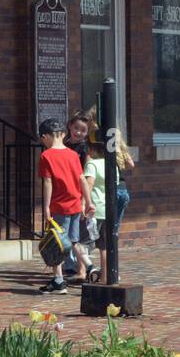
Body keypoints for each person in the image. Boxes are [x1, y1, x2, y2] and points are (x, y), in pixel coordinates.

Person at [37, 118, 95, 294]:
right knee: (73, 240)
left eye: (42, 139)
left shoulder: (46, 156)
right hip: (75, 205)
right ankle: (90, 266)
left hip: (59, 206)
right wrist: (88, 202)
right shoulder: (72, 155)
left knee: (56, 243)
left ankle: (59, 281)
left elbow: (48, 182)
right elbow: (82, 180)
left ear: (45, 137)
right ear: (63, 134)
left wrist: (46, 206)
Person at [84, 129, 136, 284]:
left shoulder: (96, 161)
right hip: (120, 193)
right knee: (112, 233)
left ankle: (102, 272)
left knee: (98, 239)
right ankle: (112, 272)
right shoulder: (118, 153)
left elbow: (89, 182)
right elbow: (131, 165)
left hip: (106, 198)